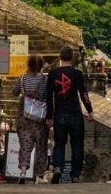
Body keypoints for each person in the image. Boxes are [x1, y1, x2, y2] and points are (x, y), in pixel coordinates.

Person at [46, 45, 93, 183]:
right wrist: (89, 111)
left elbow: (49, 97)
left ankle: (58, 168)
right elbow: (83, 94)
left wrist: (49, 116)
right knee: (77, 145)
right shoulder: (77, 74)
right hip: (75, 114)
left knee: (59, 144)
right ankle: (76, 175)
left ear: (60, 57)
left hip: (60, 115)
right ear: (72, 57)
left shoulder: (53, 74)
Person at [12, 54, 49, 184]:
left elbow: (15, 92)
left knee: (25, 146)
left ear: (29, 65)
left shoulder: (22, 78)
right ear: (42, 66)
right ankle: (40, 175)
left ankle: (22, 171)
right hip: (40, 119)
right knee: (41, 147)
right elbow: (49, 96)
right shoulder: (45, 80)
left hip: (24, 118)